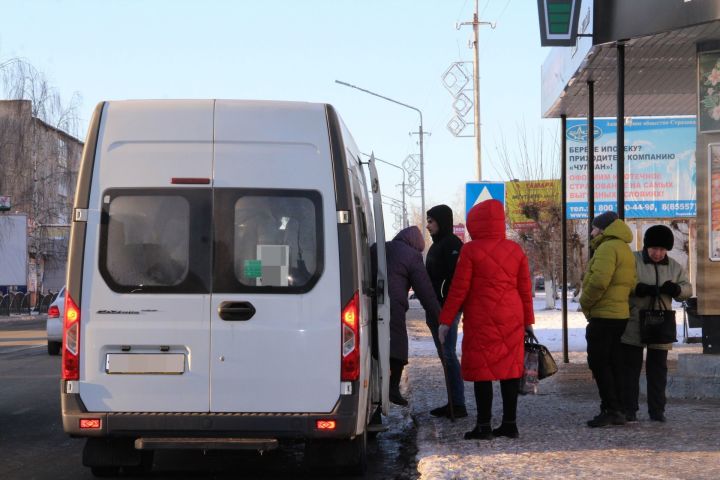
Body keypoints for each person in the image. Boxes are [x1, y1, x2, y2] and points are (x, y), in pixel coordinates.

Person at [437, 199, 534, 440]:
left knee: (484, 371)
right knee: (510, 370)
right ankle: (510, 424)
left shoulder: (470, 250)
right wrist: (528, 321)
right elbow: (525, 289)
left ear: (476, 223)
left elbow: (458, 289)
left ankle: (483, 426)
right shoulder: (515, 250)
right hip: (512, 317)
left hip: (481, 319)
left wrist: (445, 321)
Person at [621, 225, 692, 422]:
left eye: (662, 250)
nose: (658, 253)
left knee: (658, 370)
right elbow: (621, 283)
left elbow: (688, 288)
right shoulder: (632, 261)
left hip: (661, 324)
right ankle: (629, 409)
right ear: (646, 246)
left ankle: (657, 410)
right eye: (654, 249)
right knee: (630, 369)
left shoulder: (674, 266)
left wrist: (677, 289)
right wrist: (638, 289)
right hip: (634, 322)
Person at [580, 211, 636, 428]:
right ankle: (618, 408)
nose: (592, 232)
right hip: (619, 314)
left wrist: (585, 303)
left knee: (599, 363)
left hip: (603, 315)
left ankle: (611, 408)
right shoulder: (624, 248)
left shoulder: (607, 248)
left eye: (594, 228)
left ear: (603, 229)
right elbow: (632, 283)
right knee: (614, 362)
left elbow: (598, 282)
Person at [383, 226, 441, 406]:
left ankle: (375, 400)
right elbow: (425, 292)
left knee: (374, 347)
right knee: (398, 342)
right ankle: (393, 388)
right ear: (416, 245)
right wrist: (440, 317)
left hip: (369, 303)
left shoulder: (380, 247)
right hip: (394, 306)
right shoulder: (412, 256)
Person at [425, 204, 467, 418]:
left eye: (431, 221)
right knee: (445, 355)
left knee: (448, 354)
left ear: (441, 221)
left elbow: (455, 279)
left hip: (447, 308)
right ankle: (453, 402)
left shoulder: (452, 244)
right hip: (436, 307)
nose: (427, 225)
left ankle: (458, 404)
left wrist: (442, 300)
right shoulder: (436, 246)